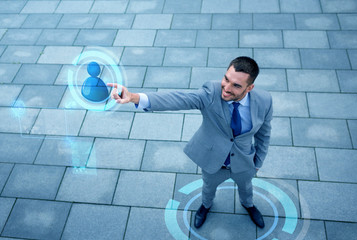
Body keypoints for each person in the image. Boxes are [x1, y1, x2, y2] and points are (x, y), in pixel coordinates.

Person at [107, 56, 273, 229]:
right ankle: (205, 206)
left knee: (246, 188)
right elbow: (177, 98)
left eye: (236, 85)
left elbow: (264, 135)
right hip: (213, 160)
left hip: (245, 161)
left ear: (250, 87)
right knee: (208, 188)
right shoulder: (210, 92)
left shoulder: (264, 101)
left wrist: (257, 163)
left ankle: (248, 205)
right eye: (226, 79)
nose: (226, 88)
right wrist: (134, 97)